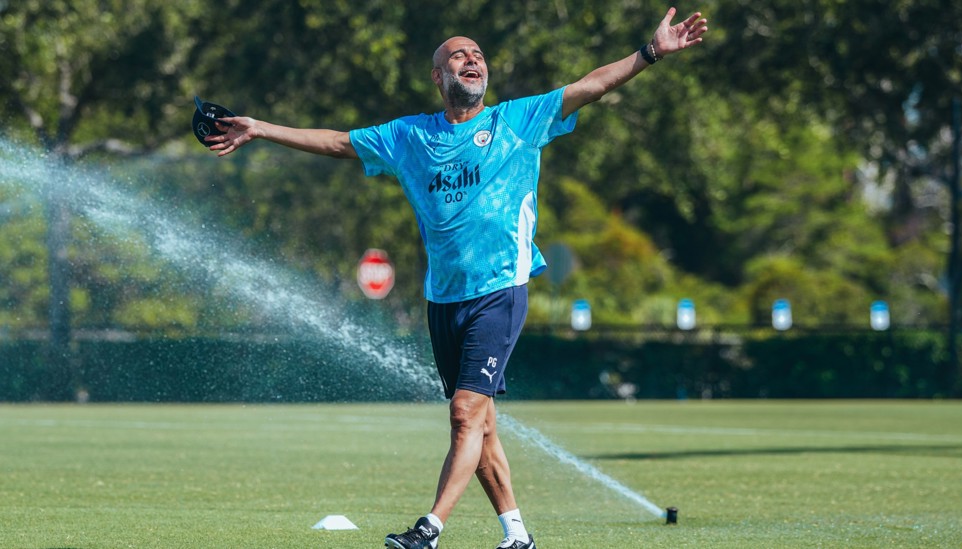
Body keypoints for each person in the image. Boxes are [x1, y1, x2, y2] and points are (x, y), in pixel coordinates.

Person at [207, 7, 706, 548]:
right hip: (443, 299)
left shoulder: (516, 121)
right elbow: (337, 142)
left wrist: (650, 53)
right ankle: (517, 535)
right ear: (438, 76)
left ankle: (430, 528)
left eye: (478, 55)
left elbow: (592, 85)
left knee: (465, 412)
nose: (472, 60)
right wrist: (260, 128)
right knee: (481, 424)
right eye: (458, 56)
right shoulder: (409, 137)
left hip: (500, 290)